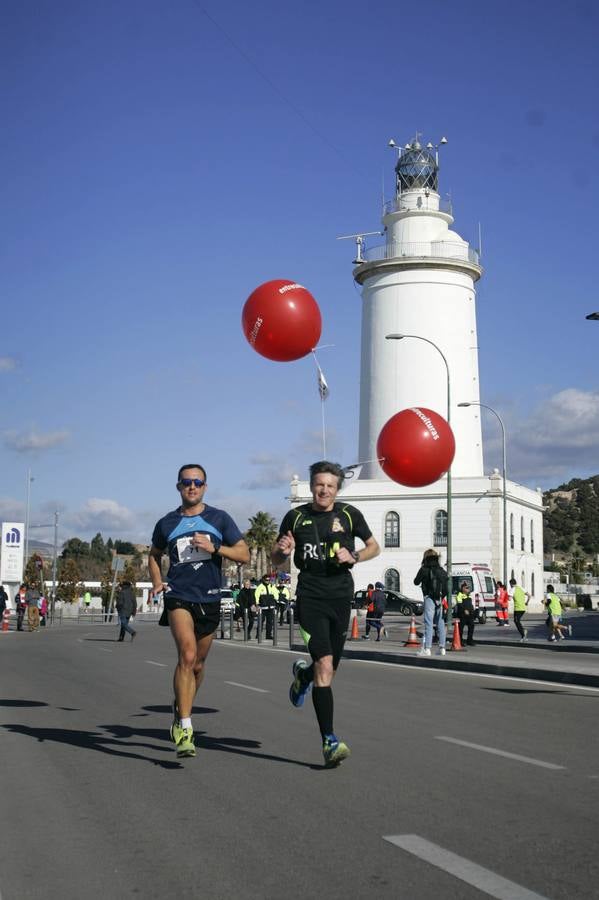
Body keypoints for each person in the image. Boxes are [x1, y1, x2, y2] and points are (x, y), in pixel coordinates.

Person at [272, 460, 380, 767]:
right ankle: (329, 740)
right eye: (319, 484)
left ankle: (301, 677)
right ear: (311, 486)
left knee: (329, 669)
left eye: (330, 485)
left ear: (337, 488)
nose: (324, 490)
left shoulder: (349, 514)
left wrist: (355, 555)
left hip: (341, 597)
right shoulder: (295, 517)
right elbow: (276, 557)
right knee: (325, 664)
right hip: (310, 597)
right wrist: (283, 550)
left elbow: (374, 546)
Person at [149, 463, 249, 759]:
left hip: (210, 598)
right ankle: (185, 726)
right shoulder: (166, 523)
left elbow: (243, 554)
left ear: (205, 486)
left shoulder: (219, 518)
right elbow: (153, 555)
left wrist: (215, 548)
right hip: (179, 596)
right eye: (186, 482)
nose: (192, 486)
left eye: (197, 482)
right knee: (187, 655)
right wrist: (157, 581)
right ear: (178, 487)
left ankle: (181, 708)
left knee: (198, 665)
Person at [414, 549, 448, 657]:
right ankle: (442, 648)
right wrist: (442, 596)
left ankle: (427, 649)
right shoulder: (441, 570)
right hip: (440, 598)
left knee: (428, 623)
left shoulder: (424, 569)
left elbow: (416, 582)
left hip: (429, 597)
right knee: (440, 623)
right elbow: (447, 583)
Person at [254, 575, 278, 639]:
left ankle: (268, 635)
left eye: (269, 580)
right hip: (262, 607)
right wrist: (257, 604)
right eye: (267, 580)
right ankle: (258, 634)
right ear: (264, 580)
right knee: (261, 621)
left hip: (271, 607)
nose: (268, 581)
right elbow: (256, 595)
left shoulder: (272, 586)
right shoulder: (260, 587)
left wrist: (276, 600)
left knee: (270, 622)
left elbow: (276, 594)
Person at [454, 581, 475, 646]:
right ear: (463, 588)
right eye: (466, 588)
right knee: (461, 628)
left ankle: (470, 640)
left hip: (470, 614)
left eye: (468, 588)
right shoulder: (459, 595)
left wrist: (473, 610)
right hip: (462, 614)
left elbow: (471, 604)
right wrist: (464, 610)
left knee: (471, 626)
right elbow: (459, 604)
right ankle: (460, 641)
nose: (468, 589)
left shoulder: (469, 595)